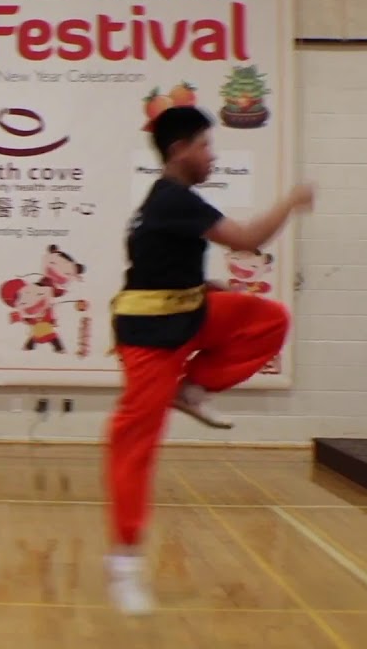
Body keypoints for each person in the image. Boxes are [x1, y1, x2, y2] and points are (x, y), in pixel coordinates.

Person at [104, 106, 313, 614]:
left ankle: (191, 388)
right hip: (152, 336)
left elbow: (158, 261)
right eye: (205, 145)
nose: (211, 155)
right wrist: (291, 200)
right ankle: (125, 564)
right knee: (134, 442)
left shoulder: (169, 200)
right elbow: (246, 239)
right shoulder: (174, 197)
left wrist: (202, 287)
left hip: (186, 311)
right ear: (180, 151)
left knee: (267, 319)